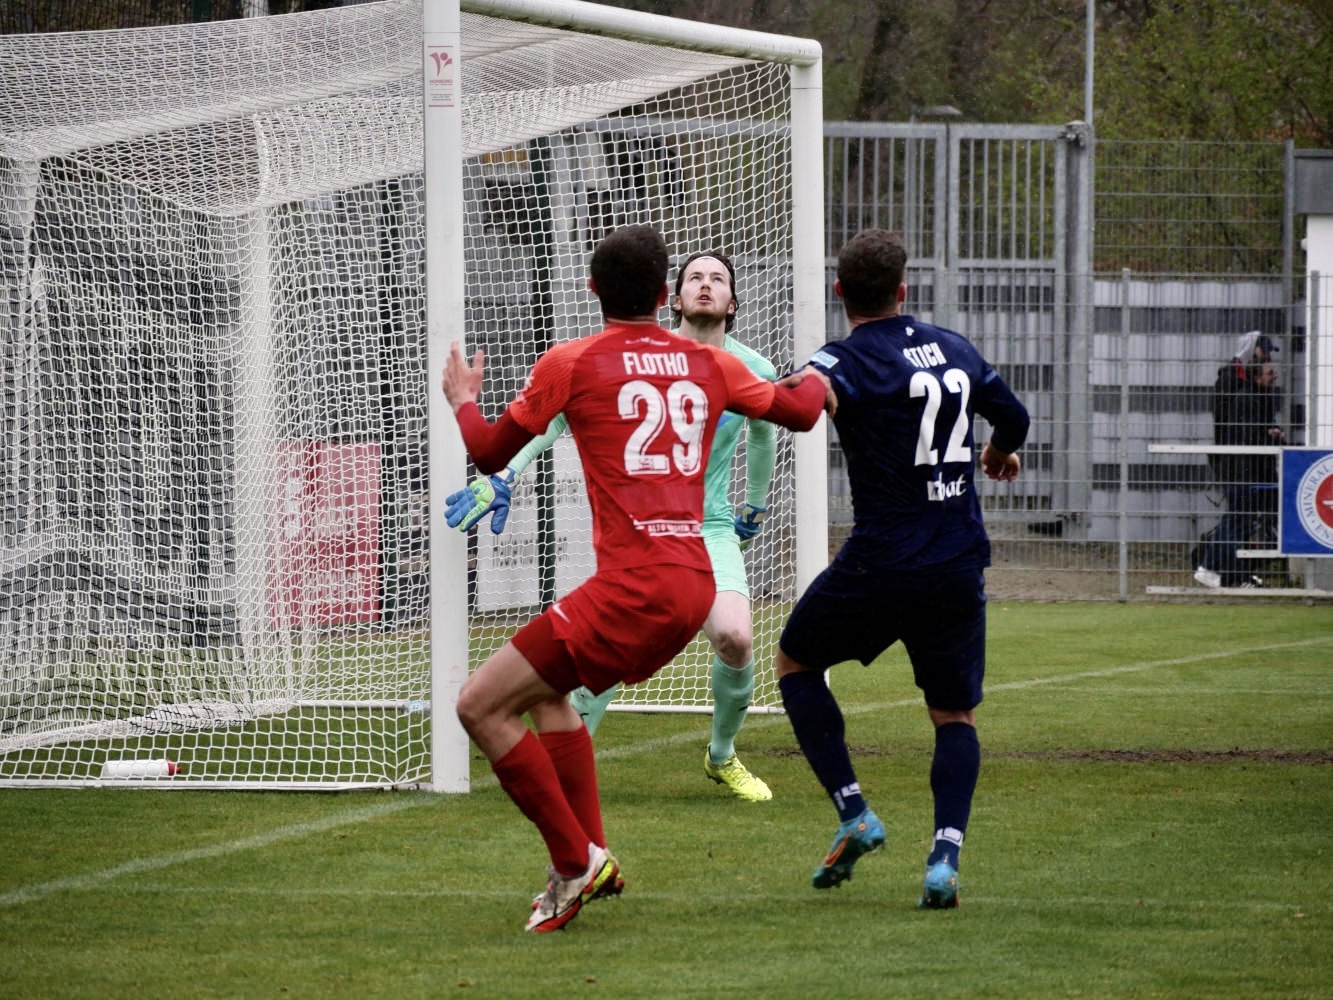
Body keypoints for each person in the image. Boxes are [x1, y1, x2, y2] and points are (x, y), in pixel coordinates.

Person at [441, 223, 832, 933]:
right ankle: (595, 856)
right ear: (663, 295)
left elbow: (489, 449)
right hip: (694, 577)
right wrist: (821, 375)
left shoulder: (570, 360)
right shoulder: (712, 363)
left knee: (478, 705)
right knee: (547, 696)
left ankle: (572, 863)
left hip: (633, 587)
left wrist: (463, 398)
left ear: (592, 289)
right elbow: (802, 414)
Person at [444, 250, 778, 802]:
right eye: (694, 276)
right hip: (643, 529)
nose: (705, 284)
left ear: (733, 302)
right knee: (619, 642)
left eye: (718, 278)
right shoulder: (637, 357)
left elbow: (766, 432)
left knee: (736, 638)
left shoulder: (751, 369)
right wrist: (506, 473)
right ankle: (574, 751)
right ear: (671, 298)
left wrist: (755, 507)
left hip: (711, 527)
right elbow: (554, 418)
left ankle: (721, 755)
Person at [773, 229, 1029, 909]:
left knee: (795, 662)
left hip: (883, 561)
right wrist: (997, 452)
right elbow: (1014, 416)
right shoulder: (955, 347)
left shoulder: (843, 357)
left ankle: (854, 811)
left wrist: (779, 390)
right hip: (956, 559)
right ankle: (944, 857)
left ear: (839, 292)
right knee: (953, 715)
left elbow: (805, 404)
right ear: (903, 289)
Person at [1193, 331, 1284, 589]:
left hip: (1249, 461)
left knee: (1242, 517)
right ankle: (1217, 568)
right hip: (1236, 461)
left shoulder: (1253, 387)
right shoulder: (1234, 382)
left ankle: (1233, 572)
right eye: (1265, 352)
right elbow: (1233, 425)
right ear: (1254, 351)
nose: (1268, 356)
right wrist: (1261, 436)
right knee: (1238, 516)